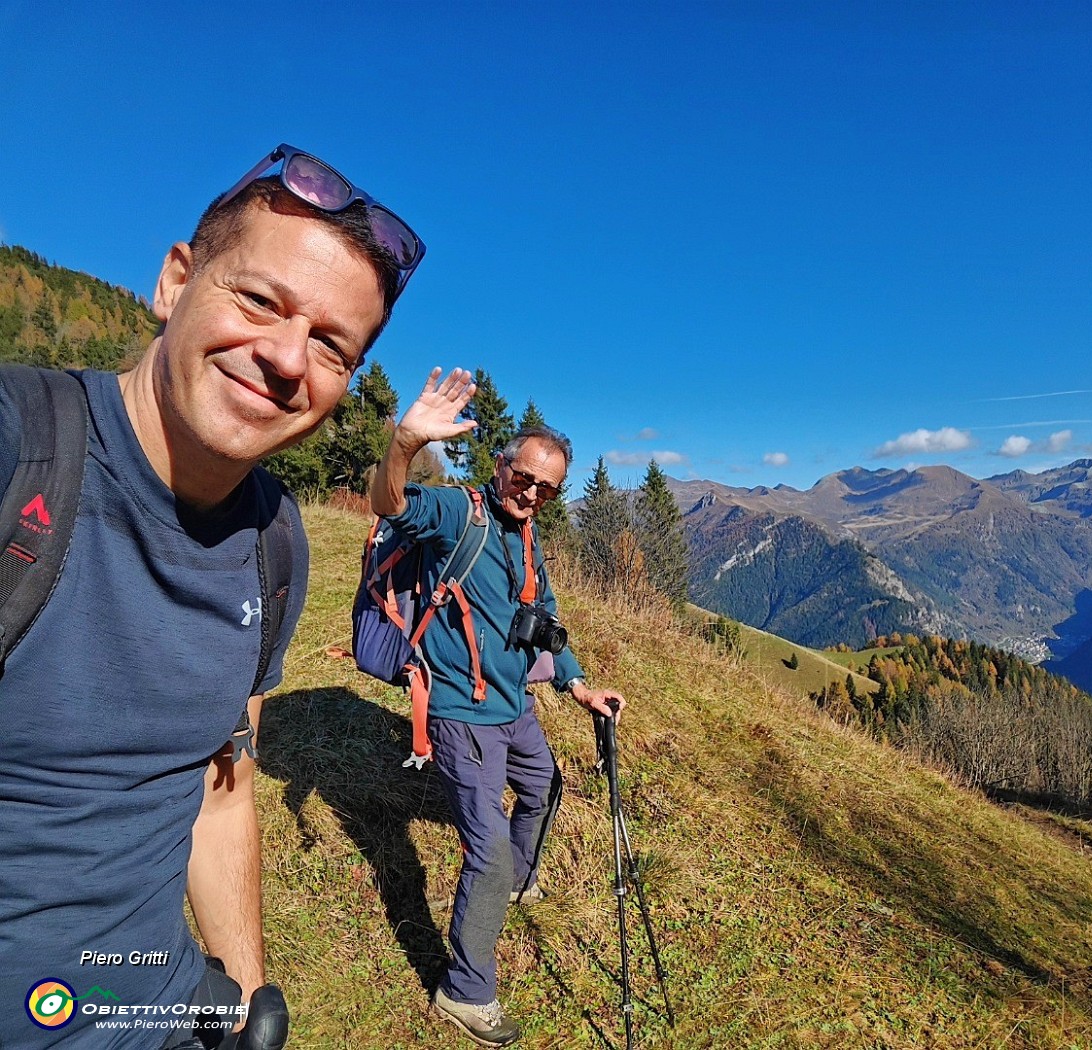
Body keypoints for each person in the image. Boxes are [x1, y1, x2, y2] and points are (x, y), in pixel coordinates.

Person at [0, 144, 424, 1049]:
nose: (283, 357)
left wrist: (244, 1004)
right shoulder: (18, 454)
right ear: (174, 281)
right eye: (261, 300)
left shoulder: (275, 541)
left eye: (330, 345)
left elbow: (223, 786)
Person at [370, 373, 625, 1047]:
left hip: (514, 707)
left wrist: (577, 686)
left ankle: (519, 881)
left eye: (548, 488)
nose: (532, 493)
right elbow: (389, 503)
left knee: (544, 786)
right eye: (525, 478)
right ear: (501, 465)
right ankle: (465, 992)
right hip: (461, 713)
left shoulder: (529, 536)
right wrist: (405, 442)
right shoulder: (461, 513)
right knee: (486, 855)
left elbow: (543, 621)